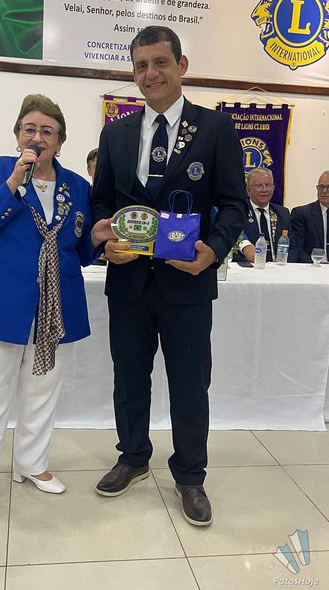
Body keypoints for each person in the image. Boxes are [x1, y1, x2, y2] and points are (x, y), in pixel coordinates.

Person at [91, 26, 247, 527]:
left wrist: (214, 252)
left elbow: (234, 204)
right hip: (129, 282)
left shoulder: (215, 128)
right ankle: (133, 457)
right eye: (141, 66)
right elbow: (101, 203)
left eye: (160, 62)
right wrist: (103, 239)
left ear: (182, 65)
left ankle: (190, 475)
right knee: (129, 378)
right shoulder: (115, 134)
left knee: (189, 384)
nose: (150, 74)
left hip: (188, 281)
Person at [0, 94, 112, 527]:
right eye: (30, 129)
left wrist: (95, 238)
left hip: (56, 307)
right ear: (18, 134)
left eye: (47, 131)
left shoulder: (77, 186)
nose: (37, 137)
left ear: (60, 141)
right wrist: (12, 184)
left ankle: (32, 463)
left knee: (42, 394)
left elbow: (79, 251)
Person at [234, 168, 290, 263]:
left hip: (279, 267)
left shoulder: (283, 213)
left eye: (268, 185)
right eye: (258, 186)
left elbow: (292, 246)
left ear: (273, 188)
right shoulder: (239, 212)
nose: (264, 190)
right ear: (248, 190)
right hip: (250, 266)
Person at [289, 170, 329, 263]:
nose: (324, 191)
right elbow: (298, 249)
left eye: (328, 187)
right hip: (311, 267)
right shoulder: (301, 214)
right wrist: (315, 266)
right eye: (321, 187)